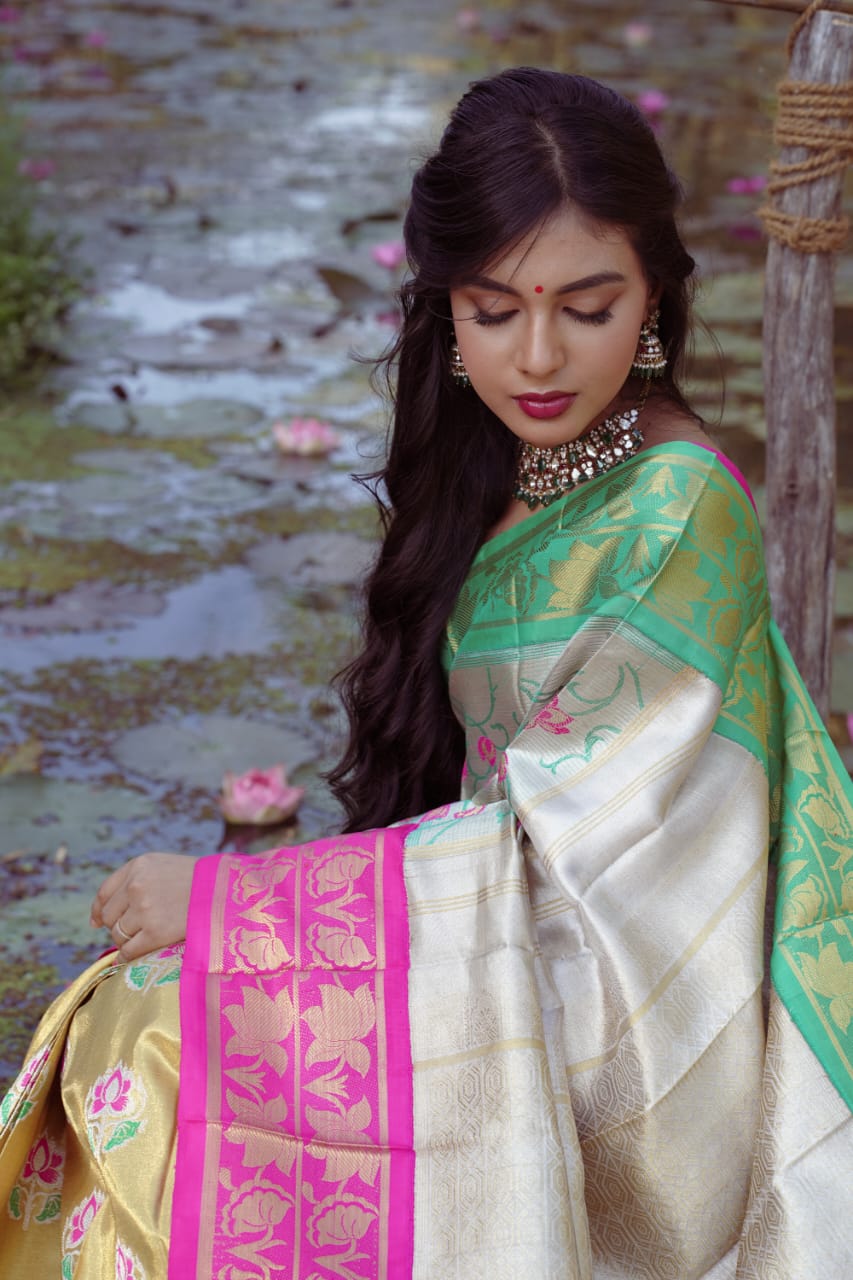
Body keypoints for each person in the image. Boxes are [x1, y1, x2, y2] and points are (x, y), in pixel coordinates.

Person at [0, 67, 850, 1280]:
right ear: (446, 311)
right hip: (493, 944)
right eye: (493, 311)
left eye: (588, 307)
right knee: (143, 1015)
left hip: (633, 1018)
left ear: (654, 299)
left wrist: (242, 904)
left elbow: (593, 882)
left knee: (162, 1044)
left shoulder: (676, 512)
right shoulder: (499, 466)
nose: (538, 356)